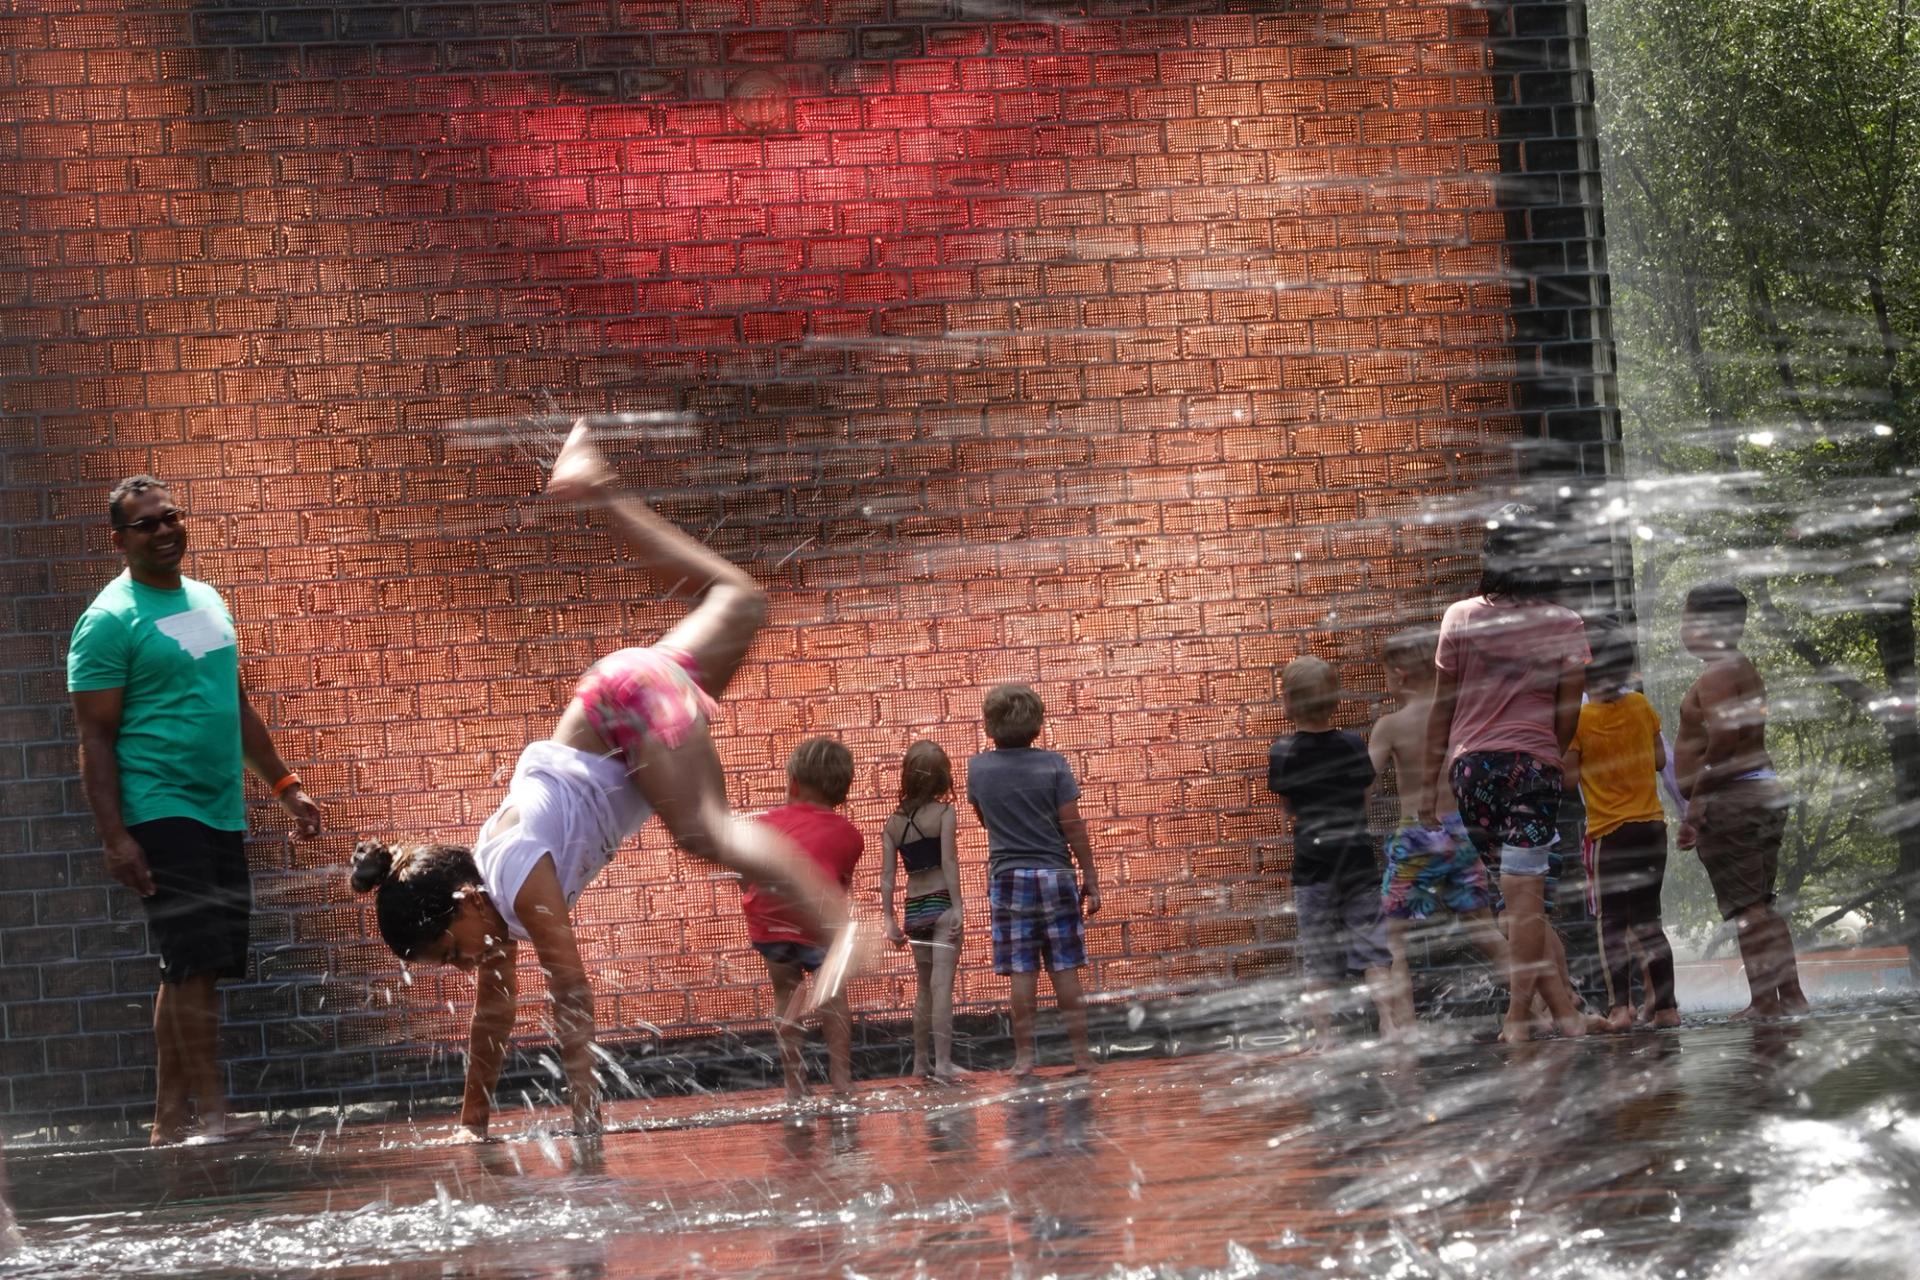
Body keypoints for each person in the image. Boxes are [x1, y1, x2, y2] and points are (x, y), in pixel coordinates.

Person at [349, 422, 855, 1140]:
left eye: (456, 952)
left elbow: (571, 985)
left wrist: (584, 1113)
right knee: (739, 600)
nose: (471, 966)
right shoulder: (496, 896)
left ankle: (841, 928)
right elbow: (493, 1018)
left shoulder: (517, 878)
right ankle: (598, 487)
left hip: (624, 709)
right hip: (619, 697)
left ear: (463, 903)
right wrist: (473, 1122)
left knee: (704, 833)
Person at [67, 474, 326, 1146]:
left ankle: (167, 1119)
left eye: (169, 518)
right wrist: (115, 836)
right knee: (194, 959)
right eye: (145, 525)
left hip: (219, 809)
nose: (162, 531)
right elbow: (93, 737)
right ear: (119, 540)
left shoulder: (208, 603)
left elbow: (233, 708)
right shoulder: (109, 619)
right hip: (160, 806)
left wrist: (284, 784)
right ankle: (212, 1114)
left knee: (188, 963)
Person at [1420, 505, 1591, 1042]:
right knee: (1526, 899)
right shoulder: (1565, 623)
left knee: (1517, 899)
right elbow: (1568, 716)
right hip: (1533, 771)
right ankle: (1521, 1016)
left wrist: (1430, 780)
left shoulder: (1460, 617)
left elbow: (1442, 709)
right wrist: (1544, 755)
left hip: (1473, 773)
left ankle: (1564, 1013)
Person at [1674, 582, 1808, 1020]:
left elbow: (1726, 738)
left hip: (1734, 798)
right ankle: (1791, 998)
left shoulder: (1716, 674)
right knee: (1761, 903)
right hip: (1761, 789)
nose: (1681, 628)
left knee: (1747, 908)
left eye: (1686, 618)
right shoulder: (1740, 667)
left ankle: (1765, 1003)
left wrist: (1697, 802)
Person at [1369, 630, 1508, 1027]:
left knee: (1392, 937)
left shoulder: (1391, 725)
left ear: (1399, 675)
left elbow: (1367, 778)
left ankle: (1403, 1027)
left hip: (1417, 834)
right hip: (1460, 833)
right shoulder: (1459, 716)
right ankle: (1537, 1008)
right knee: (1483, 927)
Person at [968, 684, 1100, 1078]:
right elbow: (1071, 824)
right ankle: (1081, 1056)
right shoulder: (1054, 765)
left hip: (1009, 877)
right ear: (1038, 724)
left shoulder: (978, 768)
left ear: (990, 726)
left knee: (1022, 971)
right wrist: (1090, 875)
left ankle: (1024, 1059)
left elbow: (985, 818)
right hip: (1056, 873)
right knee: (1065, 968)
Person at [1268, 655, 1398, 1039]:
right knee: (1373, 946)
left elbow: (1288, 808)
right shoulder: (1352, 743)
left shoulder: (1283, 751)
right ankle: (1388, 1023)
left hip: (1313, 865)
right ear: (1335, 700)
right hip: (1356, 859)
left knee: (1318, 953)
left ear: (1289, 702)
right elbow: (1365, 796)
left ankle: (1323, 1037)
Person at [1565, 621, 1680, 1031]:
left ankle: (1621, 1009)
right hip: (1650, 827)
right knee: (1650, 920)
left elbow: (1567, 779)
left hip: (1608, 832)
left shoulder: (1578, 720)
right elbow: (1660, 762)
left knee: (1612, 921)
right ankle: (1666, 1008)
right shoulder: (1642, 707)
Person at [739, 736, 865, 1101]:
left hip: (771, 922)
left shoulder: (764, 824)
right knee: (833, 995)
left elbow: (746, 870)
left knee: (787, 992)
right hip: (817, 926)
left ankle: (795, 1082)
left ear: (793, 783)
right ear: (841, 790)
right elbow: (839, 886)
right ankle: (841, 1080)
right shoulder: (849, 835)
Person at [879, 740, 965, 1084]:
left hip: (915, 908)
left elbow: (887, 877)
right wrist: (958, 905)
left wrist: (888, 918)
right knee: (942, 985)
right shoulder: (945, 814)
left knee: (923, 988)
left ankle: (920, 1062)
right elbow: (949, 861)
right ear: (942, 777)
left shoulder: (892, 824)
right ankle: (944, 1062)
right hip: (941, 901)